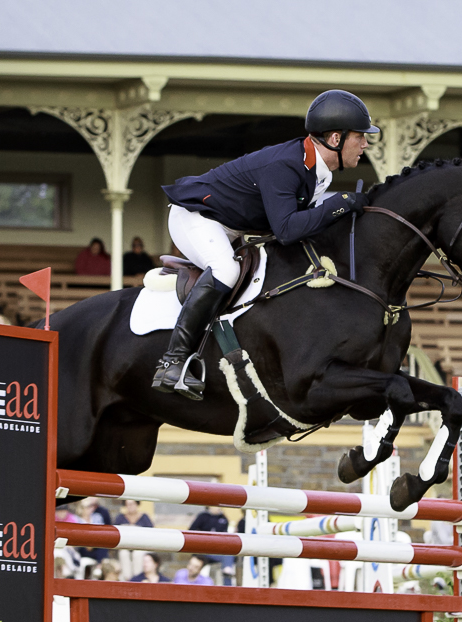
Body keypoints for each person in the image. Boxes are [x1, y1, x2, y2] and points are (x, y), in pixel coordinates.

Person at [154, 89, 376, 399]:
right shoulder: (286, 165)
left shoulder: (318, 170)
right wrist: (338, 203)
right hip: (197, 217)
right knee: (225, 271)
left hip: (233, 225)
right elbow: (286, 230)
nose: (365, 144)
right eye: (360, 137)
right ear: (336, 139)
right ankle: (171, 362)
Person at [190, 506, 233, 584]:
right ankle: (227, 574)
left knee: (228, 555)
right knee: (227, 560)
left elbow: (225, 537)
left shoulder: (223, 518)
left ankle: (228, 585)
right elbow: (191, 530)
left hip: (217, 551)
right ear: (210, 506)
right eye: (217, 506)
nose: (219, 508)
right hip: (203, 551)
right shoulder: (203, 516)